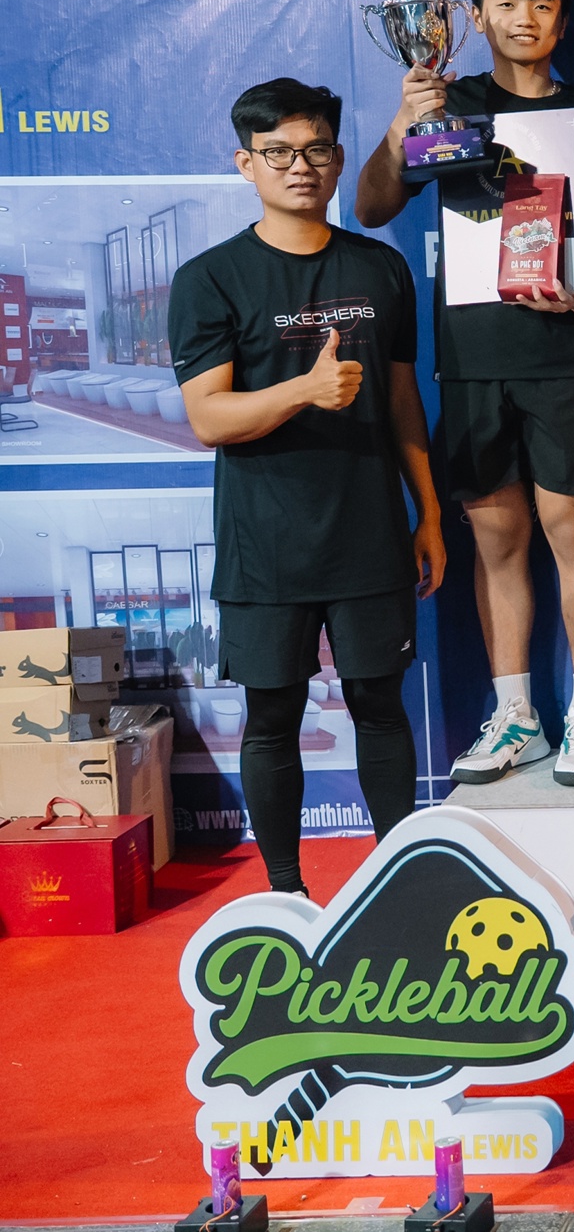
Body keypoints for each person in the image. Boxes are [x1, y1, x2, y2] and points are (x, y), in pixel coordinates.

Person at [353, 0, 574, 790]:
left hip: (566, 359)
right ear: (474, 17)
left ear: (562, 21)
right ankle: (517, 715)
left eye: (542, 3)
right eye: (506, 2)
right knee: (496, 540)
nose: (524, 17)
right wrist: (403, 124)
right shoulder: (448, 106)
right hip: (472, 359)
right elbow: (371, 205)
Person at [171, 79, 445, 895]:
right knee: (273, 717)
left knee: (380, 704)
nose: (301, 166)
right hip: (265, 542)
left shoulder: (381, 268)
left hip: (369, 528)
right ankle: (287, 892)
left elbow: (403, 402)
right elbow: (209, 417)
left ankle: (399, 883)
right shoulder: (211, 278)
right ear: (246, 163)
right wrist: (304, 390)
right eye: (280, 152)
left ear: (337, 157)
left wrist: (428, 512)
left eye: (317, 148)